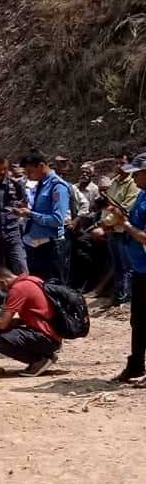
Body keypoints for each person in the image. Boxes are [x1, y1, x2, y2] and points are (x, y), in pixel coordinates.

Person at [107, 152, 146, 382]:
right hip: (140, 269)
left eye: (137, 173)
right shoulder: (141, 195)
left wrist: (126, 225)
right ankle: (136, 365)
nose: (134, 177)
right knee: (138, 320)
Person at [0, 267, 62, 377]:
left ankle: (38, 360)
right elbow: (35, 315)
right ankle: (46, 355)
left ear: (2, 281)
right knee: (7, 330)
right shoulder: (33, 280)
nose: (2, 291)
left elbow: (2, 323)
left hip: (45, 337)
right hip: (53, 335)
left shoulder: (17, 289)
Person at [14, 151, 70, 283]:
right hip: (35, 244)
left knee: (54, 286)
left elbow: (57, 219)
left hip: (51, 246)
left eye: (30, 171)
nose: (28, 176)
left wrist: (30, 214)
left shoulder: (58, 186)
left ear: (41, 166)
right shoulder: (40, 184)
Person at [104, 151, 141, 305]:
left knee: (128, 266)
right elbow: (108, 205)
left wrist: (105, 223)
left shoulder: (134, 184)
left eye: (122, 163)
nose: (119, 166)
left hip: (124, 230)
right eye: (117, 163)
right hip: (113, 230)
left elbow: (126, 208)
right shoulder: (114, 182)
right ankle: (118, 297)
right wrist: (105, 223)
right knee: (117, 265)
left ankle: (126, 298)